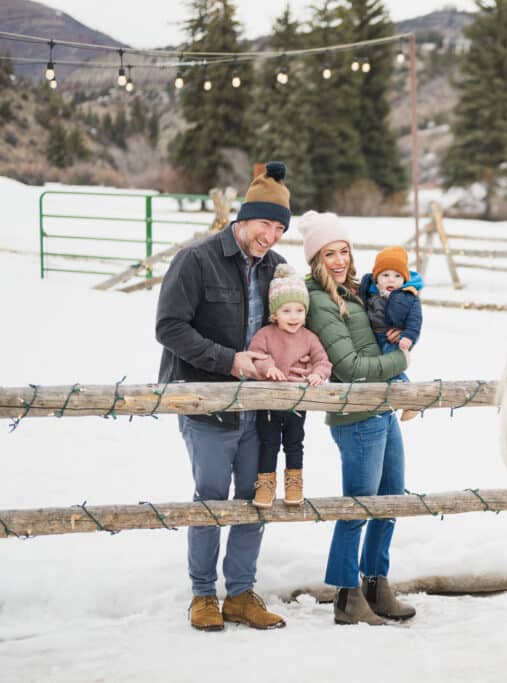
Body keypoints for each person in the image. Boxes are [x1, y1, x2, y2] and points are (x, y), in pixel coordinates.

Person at [156, 161, 293, 632]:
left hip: (259, 408)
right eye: (265, 223)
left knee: (256, 498)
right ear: (242, 216)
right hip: (207, 405)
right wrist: (229, 360)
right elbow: (169, 327)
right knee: (210, 499)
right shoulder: (196, 260)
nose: (271, 235)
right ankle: (202, 595)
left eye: (279, 227)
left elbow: (293, 325)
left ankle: (239, 593)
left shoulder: (277, 269)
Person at [298, 210, 418, 626]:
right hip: (356, 416)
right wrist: (400, 359)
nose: (339, 259)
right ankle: (347, 595)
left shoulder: (352, 292)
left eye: (344, 251)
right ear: (315, 259)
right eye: (329, 253)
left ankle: (376, 582)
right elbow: (348, 366)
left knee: (390, 501)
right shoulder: (318, 300)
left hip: (382, 410)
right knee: (358, 506)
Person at [248, 263, 333, 508]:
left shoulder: (309, 337)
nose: (294, 317)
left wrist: (318, 374)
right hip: (269, 403)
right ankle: (265, 485)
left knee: (295, 443)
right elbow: (256, 355)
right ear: (274, 314)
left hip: (297, 402)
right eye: (286, 311)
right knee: (269, 443)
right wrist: (269, 368)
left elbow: (323, 361)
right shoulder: (265, 334)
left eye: (299, 310)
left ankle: (294, 483)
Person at [357, 245, 423, 393]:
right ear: (376, 278)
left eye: (397, 276)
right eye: (385, 275)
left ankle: (406, 391)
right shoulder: (369, 293)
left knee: (392, 367)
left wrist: (408, 336)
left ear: (404, 278)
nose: (391, 280)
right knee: (376, 369)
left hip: (391, 339)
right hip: (372, 338)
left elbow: (415, 320)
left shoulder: (408, 297)